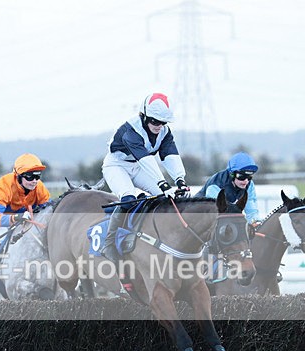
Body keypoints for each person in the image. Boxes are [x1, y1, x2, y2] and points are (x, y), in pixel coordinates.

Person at [99, 92, 189, 261]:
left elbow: (170, 155)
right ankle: (108, 244)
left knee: (165, 198)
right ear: (144, 116)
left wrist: (180, 180)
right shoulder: (131, 130)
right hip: (116, 166)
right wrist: (163, 183)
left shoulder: (165, 132)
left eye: (163, 122)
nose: (159, 126)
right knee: (128, 199)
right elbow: (145, 159)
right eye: (154, 121)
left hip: (137, 166)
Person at [0, 153, 52, 287]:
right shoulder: (4, 185)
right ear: (18, 175)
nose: (34, 181)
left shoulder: (39, 187)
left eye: (37, 176)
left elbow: (48, 210)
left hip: (18, 220)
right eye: (30, 176)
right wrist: (15, 218)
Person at [194, 151, 263, 227]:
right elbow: (217, 212)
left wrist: (255, 222)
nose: (246, 181)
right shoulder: (215, 186)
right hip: (196, 215)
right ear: (232, 174)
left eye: (249, 177)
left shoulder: (249, 184)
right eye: (241, 176)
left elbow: (251, 207)